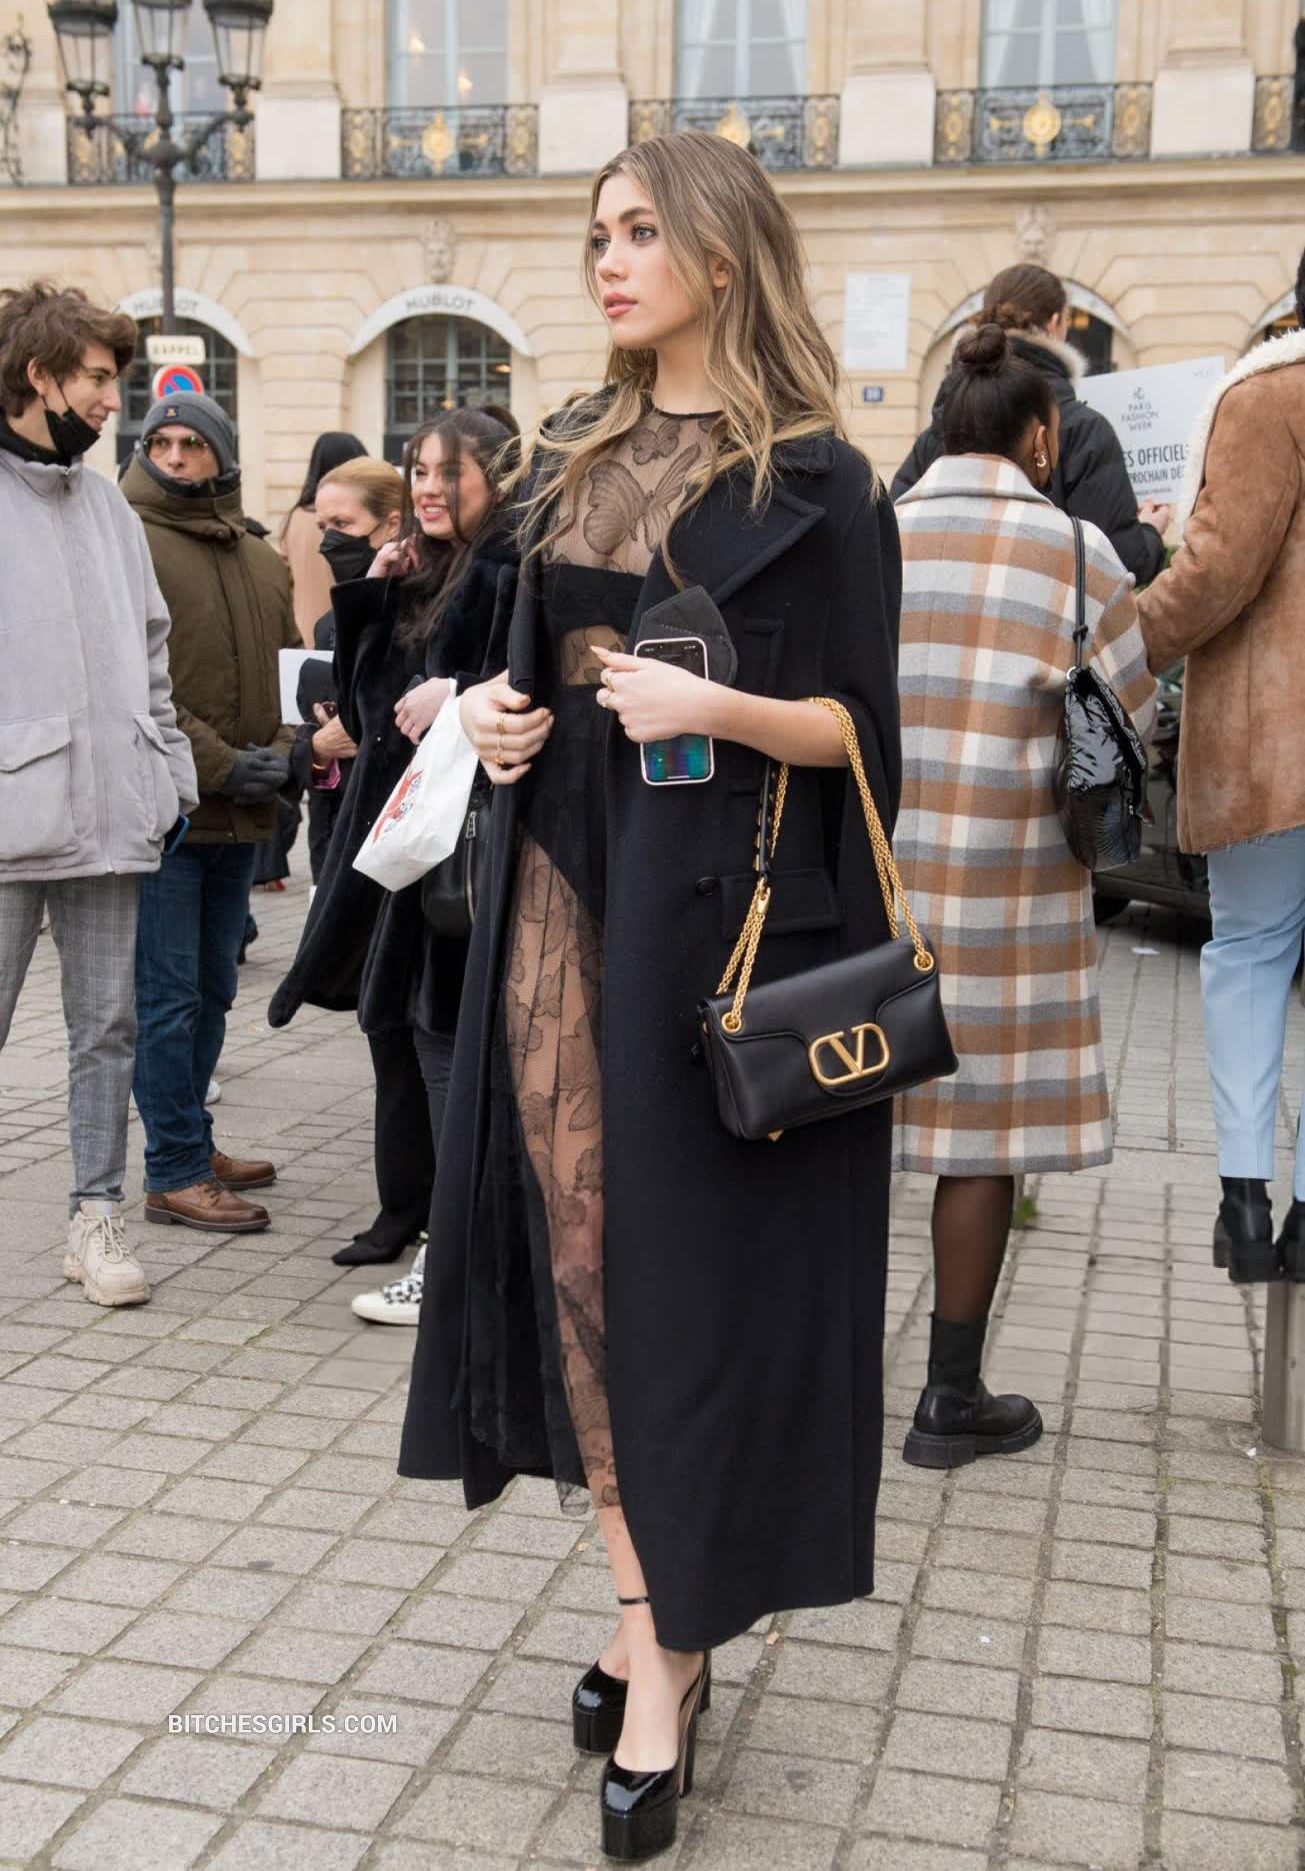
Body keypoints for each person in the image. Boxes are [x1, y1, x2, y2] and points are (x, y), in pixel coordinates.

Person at [398, 129, 902, 1862]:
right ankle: (652, 1616)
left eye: (637, 232)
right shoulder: (562, 458)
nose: (608, 260)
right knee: (579, 1258)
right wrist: (493, 716)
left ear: (722, 255)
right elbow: (501, 665)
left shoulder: (824, 483)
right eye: (597, 234)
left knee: (685, 1286)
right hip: (556, 898)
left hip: (720, 937)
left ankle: (664, 1640)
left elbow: (862, 740)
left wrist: (716, 712)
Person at [893, 323, 1156, 1466]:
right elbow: (1131, 711)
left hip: (873, 876)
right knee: (981, 1136)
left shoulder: (875, 535)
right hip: (1012, 882)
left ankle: (812, 1379)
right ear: (1041, 437)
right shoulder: (1079, 551)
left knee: (835, 1113)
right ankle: (949, 1399)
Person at [270, 416, 517, 1272]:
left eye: (451, 471)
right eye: (419, 471)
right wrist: (370, 589)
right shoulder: (416, 568)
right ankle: (402, 1209)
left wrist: (462, 690)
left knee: (443, 1036)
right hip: (390, 840)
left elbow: (541, 684)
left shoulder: (511, 569)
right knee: (391, 1031)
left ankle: (454, 1237)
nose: (430, 488)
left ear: (497, 476)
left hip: (459, 847)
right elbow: (358, 705)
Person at [0, 281, 197, 1307]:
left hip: (115, 812)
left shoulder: (109, 506)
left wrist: (169, 771)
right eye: (96, 378)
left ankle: (97, 1216)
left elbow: (152, 649)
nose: (114, 400)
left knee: (107, 1028)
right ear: (39, 377)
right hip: (10, 816)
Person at [1134, 245, 1305, 1284]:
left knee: (1248, 951)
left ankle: (1244, 1200)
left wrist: (1127, 645)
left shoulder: (1270, 393)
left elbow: (1216, 570)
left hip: (1275, 744)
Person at [122, 392, 309, 1236]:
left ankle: (191, 1140)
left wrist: (283, 749)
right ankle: (173, 1170)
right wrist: (226, 763)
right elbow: (134, 684)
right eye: (159, 441)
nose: (174, 456)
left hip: (243, 813)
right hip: (167, 813)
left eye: (191, 443)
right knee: (166, 1000)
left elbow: (290, 667)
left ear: (221, 454)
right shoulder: (128, 541)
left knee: (213, 988)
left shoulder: (260, 555)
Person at [892, 263, 1170, 584]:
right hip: (1049, 610)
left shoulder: (939, 429)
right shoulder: (1084, 430)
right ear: (1055, 323)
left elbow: (890, 536)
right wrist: (1150, 532)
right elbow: (1118, 562)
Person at [299, 457, 402, 882]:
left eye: (342, 524)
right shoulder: (329, 624)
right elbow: (313, 741)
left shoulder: (420, 609)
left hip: (394, 828)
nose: (329, 541)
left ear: (391, 525)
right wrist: (318, 746)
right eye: (323, 526)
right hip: (336, 831)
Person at [279, 429, 367, 645]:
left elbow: (284, 579)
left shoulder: (294, 518)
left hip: (303, 634)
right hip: (342, 634)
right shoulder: (357, 521)